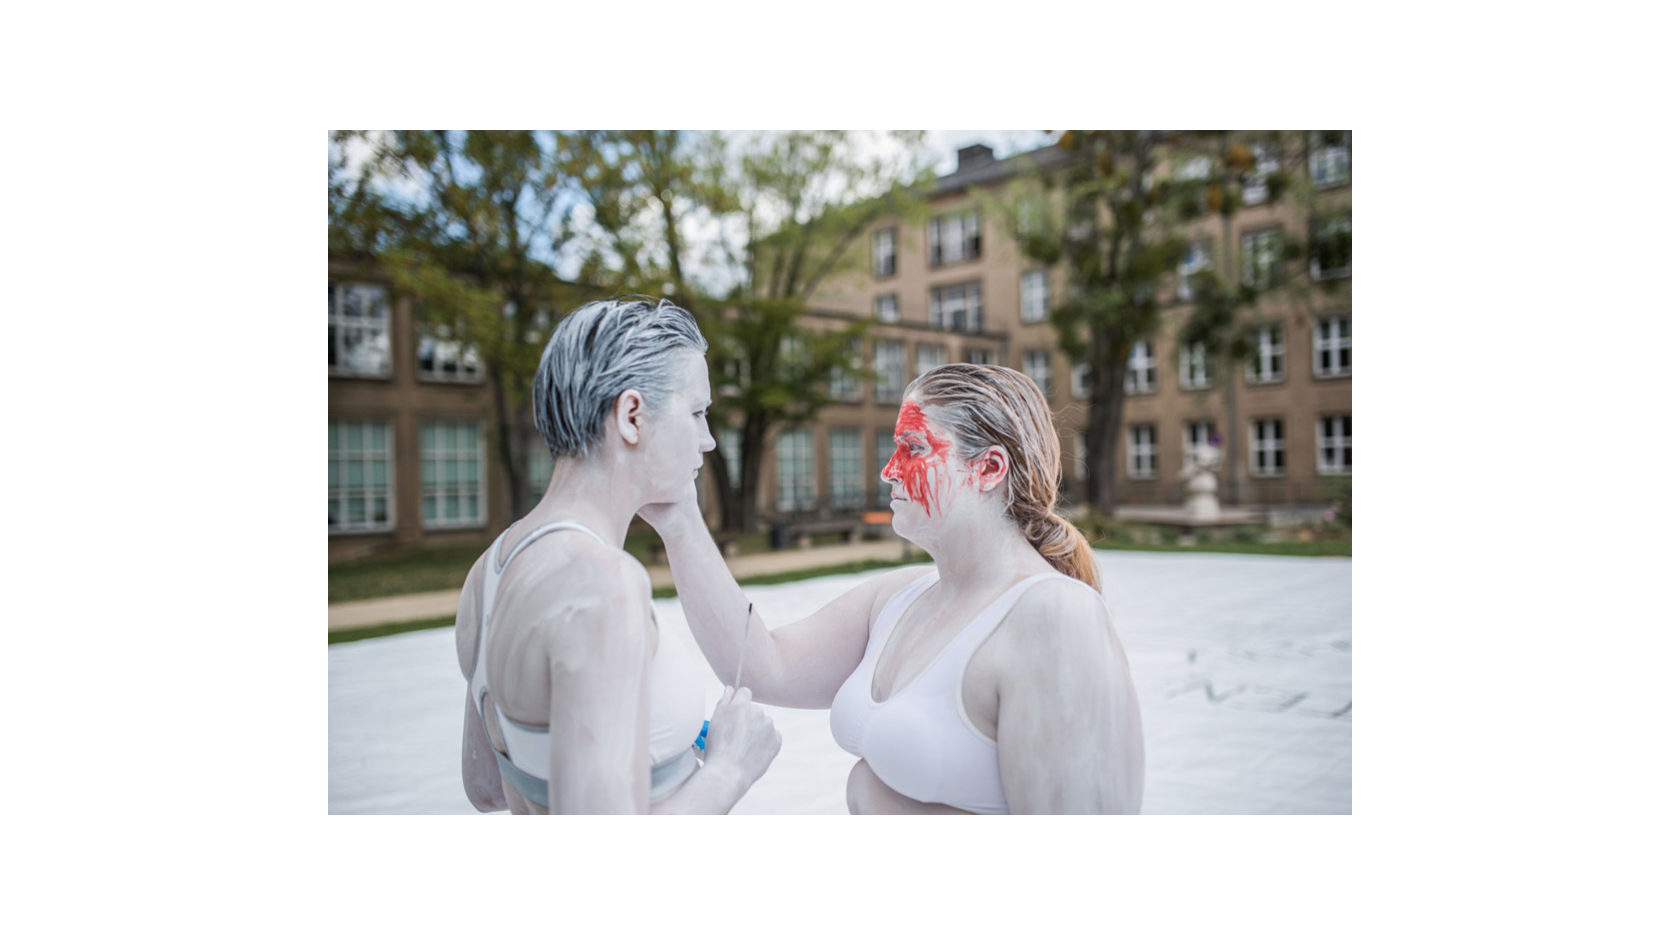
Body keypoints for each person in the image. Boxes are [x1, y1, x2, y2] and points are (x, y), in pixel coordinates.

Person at [642, 363, 1144, 813]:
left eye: (913, 448)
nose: (888, 470)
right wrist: (680, 520)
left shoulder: (1056, 616)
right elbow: (762, 667)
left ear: (988, 469)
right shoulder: (902, 598)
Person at [455, 298, 781, 814]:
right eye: (697, 413)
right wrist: (729, 767)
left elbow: (487, 787)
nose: (709, 440)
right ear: (631, 415)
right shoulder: (603, 584)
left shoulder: (490, 571)